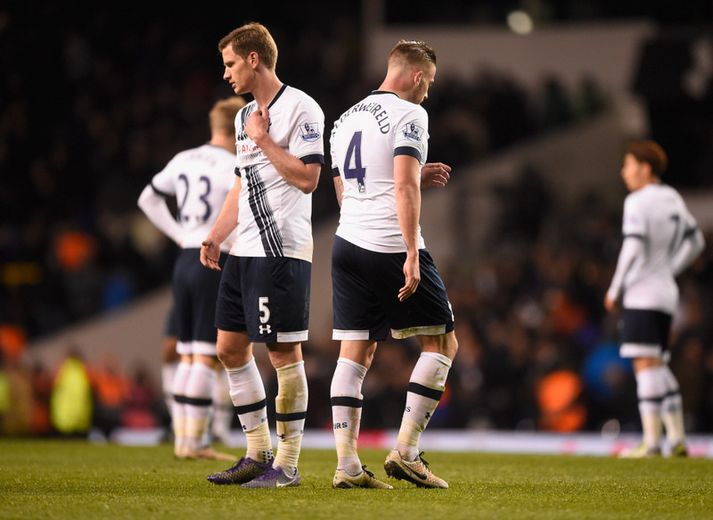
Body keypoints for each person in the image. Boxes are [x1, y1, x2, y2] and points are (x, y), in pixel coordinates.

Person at [328, 40, 457, 489]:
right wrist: (410, 253)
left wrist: (411, 177)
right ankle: (406, 451)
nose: (428, 94)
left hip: (346, 243)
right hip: (388, 242)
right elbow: (403, 188)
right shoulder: (411, 114)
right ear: (418, 77)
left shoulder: (344, 119)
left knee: (355, 352)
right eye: (430, 85)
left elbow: (347, 190)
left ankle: (346, 466)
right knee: (442, 344)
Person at [201, 22, 324, 488]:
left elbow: (309, 178)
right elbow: (242, 180)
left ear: (254, 59)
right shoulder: (243, 117)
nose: (227, 73)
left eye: (231, 63)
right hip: (243, 249)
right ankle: (256, 453)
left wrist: (266, 138)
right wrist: (217, 234)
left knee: (283, 352)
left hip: (280, 250)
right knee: (229, 348)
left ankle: (287, 465)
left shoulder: (302, 107)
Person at [138, 96, 246, 461]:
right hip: (214, 259)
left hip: (185, 257)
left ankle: (185, 440)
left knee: (186, 354)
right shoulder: (235, 164)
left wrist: (179, 235)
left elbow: (147, 198)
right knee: (202, 355)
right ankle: (194, 443)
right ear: (238, 127)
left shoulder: (184, 158)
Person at [605, 140, 705, 458]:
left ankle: (651, 442)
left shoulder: (638, 201)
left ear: (645, 168)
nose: (624, 171)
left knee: (644, 364)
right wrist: (670, 268)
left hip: (643, 292)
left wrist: (615, 288)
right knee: (658, 362)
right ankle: (676, 437)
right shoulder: (672, 197)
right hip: (666, 292)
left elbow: (632, 247)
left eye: (629, 164)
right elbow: (697, 240)